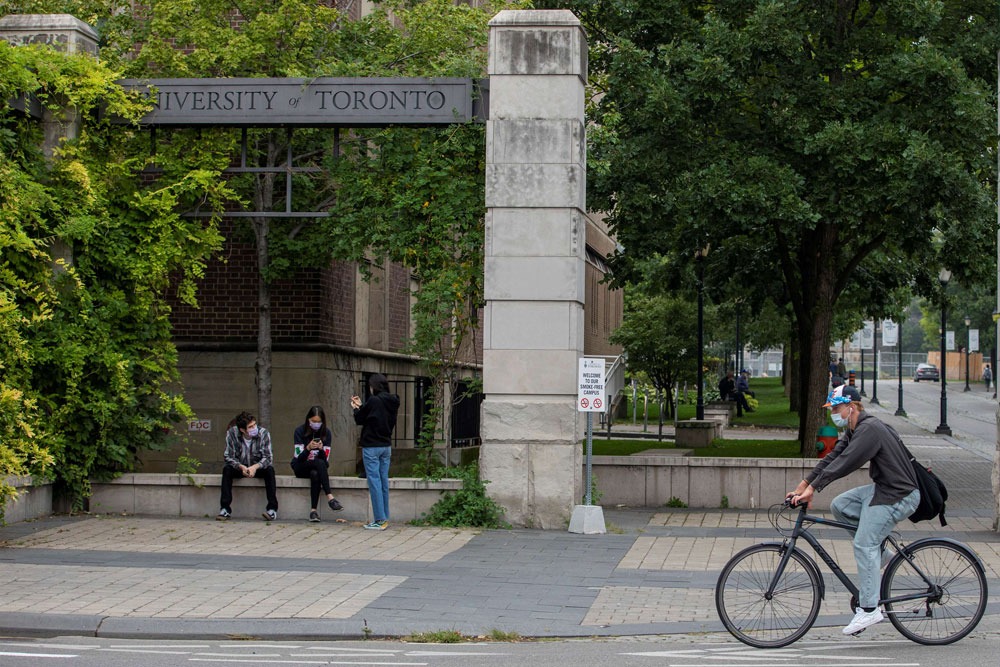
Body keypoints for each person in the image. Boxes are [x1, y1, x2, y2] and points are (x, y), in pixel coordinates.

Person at [787, 385, 920, 636]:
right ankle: (881, 556)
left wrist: (815, 488)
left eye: (837, 408)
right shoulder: (854, 428)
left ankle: (869, 609)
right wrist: (804, 485)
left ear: (852, 406)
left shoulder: (869, 429)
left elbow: (846, 464)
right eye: (832, 409)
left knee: (864, 543)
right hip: (884, 489)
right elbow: (833, 457)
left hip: (899, 496)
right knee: (841, 506)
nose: (834, 413)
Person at [352, 373, 400, 531]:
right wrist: (362, 407)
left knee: (374, 482)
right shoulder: (393, 401)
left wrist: (356, 408)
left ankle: (379, 519)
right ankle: (384, 517)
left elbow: (360, 419)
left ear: (374, 387)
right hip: (386, 445)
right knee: (383, 481)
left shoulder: (373, 400)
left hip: (371, 446)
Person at [217, 411, 278, 521]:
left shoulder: (263, 433)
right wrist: (241, 466)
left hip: (257, 467)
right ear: (242, 430)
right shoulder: (232, 433)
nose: (254, 428)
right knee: (227, 470)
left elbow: (268, 457)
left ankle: (272, 510)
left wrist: (254, 467)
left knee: (270, 470)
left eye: (254, 424)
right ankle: (225, 509)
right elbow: (228, 456)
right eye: (250, 427)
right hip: (240, 467)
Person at [290, 406, 344, 522]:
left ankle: (313, 511)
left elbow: (325, 462)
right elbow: (298, 458)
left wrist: (320, 450)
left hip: (318, 467)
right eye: (314, 421)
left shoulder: (326, 433)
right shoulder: (299, 431)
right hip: (301, 466)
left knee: (316, 473)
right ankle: (330, 497)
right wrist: (308, 448)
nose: (316, 424)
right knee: (318, 464)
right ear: (308, 419)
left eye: (319, 422)